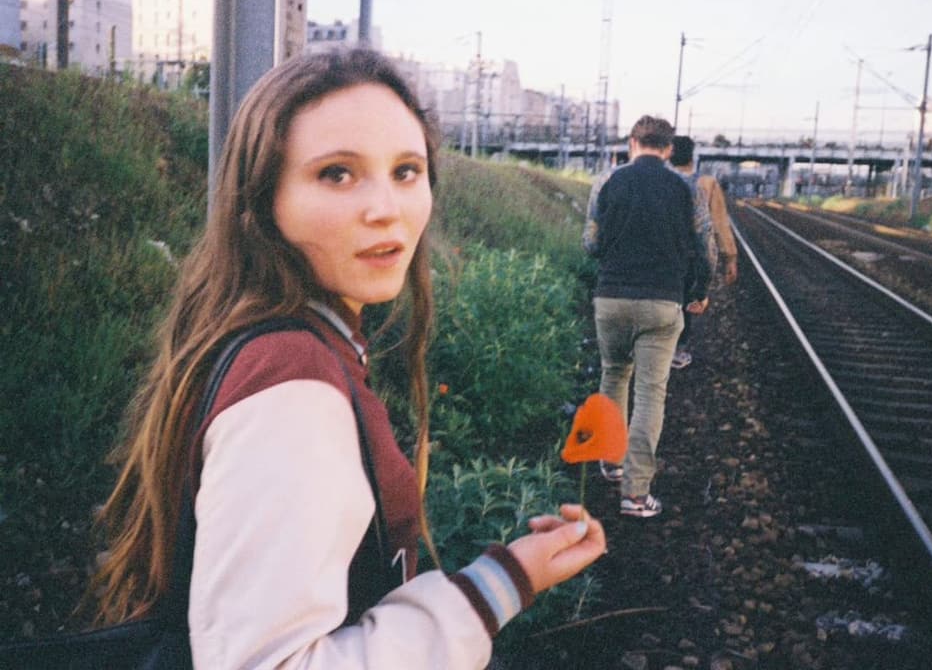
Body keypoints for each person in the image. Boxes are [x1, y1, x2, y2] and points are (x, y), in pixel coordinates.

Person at [89, 49, 606, 669]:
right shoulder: (291, 389)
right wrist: (494, 590)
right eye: (337, 173)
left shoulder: (279, 339)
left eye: (407, 171)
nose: (386, 207)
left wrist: (511, 572)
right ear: (262, 201)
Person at [582, 116, 711, 517]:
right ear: (669, 149)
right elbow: (704, 248)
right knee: (651, 394)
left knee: (614, 374)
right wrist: (700, 293)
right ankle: (636, 494)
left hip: (612, 298)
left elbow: (590, 243)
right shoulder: (687, 188)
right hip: (661, 302)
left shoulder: (606, 182)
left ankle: (610, 461)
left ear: (633, 142)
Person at [669, 135, 738, 370]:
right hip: (692, 255)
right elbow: (720, 222)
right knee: (687, 300)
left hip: (663, 252)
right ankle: (679, 349)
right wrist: (730, 257)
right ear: (693, 156)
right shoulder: (706, 183)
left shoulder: (662, 180)